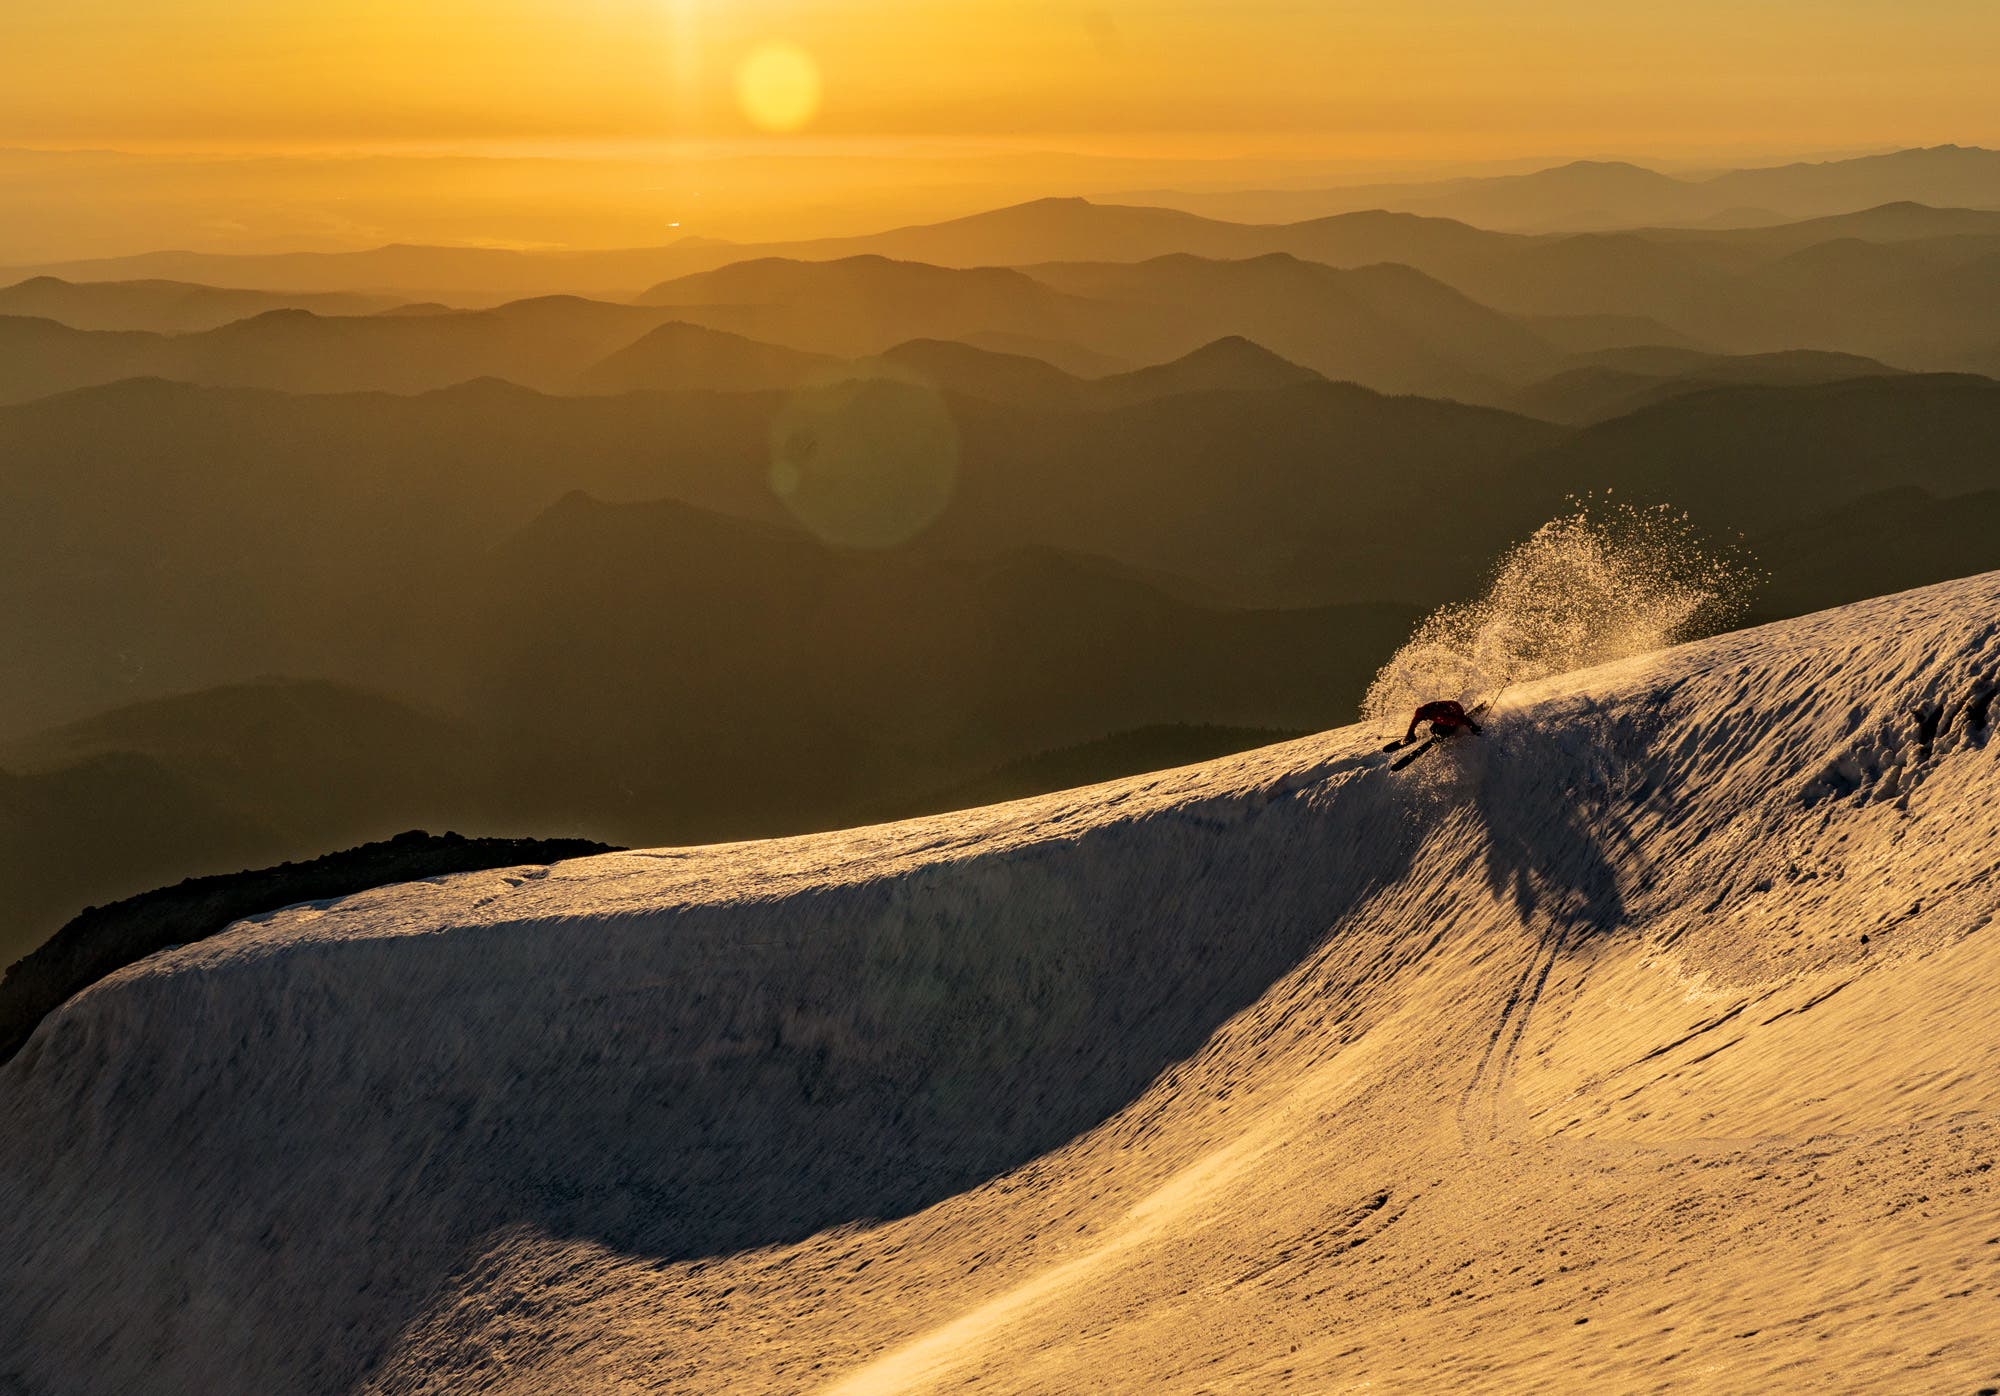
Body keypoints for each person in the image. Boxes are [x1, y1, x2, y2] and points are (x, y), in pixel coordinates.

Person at [1403, 699, 1482, 745]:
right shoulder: (1422, 711)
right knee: (1433, 729)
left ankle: (1447, 732)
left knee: (1439, 730)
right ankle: (1441, 732)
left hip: (1455, 710)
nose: (1425, 720)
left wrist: (1474, 728)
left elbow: (1465, 720)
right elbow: (1416, 720)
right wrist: (1410, 732)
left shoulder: (1443, 717)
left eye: (1425, 718)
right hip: (1449, 707)